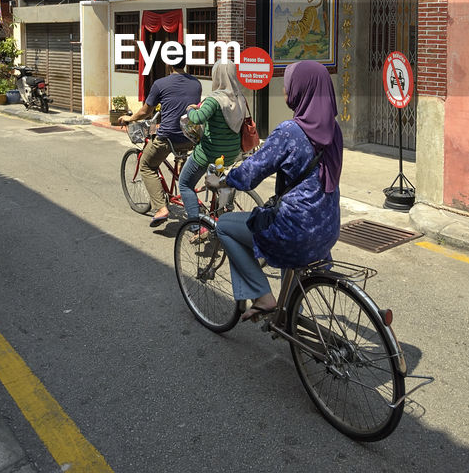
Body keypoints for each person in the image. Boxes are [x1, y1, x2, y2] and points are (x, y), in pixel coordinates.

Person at [210, 61, 343, 322]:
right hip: (327, 228)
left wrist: (225, 178)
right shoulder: (332, 129)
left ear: (301, 90)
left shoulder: (290, 132)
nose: (284, 91)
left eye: (288, 86)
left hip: (296, 231)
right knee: (291, 231)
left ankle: (262, 297)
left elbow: (250, 174)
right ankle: (290, 317)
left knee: (225, 225)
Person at [117, 61, 201, 227]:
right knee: (182, 172)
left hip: (168, 138)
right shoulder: (196, 83)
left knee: (147, 165)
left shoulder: (160, 84)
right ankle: (186, 193)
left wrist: (130, 118)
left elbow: (146, 111)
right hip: (190, 138)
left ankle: (161, 208)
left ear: (169, 63)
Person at [179, 61, 245, 235]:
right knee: (217, 178)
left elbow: (198, 118)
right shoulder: (240, 98)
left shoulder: (214, 100)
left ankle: (196, 227)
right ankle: (222, 204)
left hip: (210, 153)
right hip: (232, 153)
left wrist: (190, 109)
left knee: (185, 184)